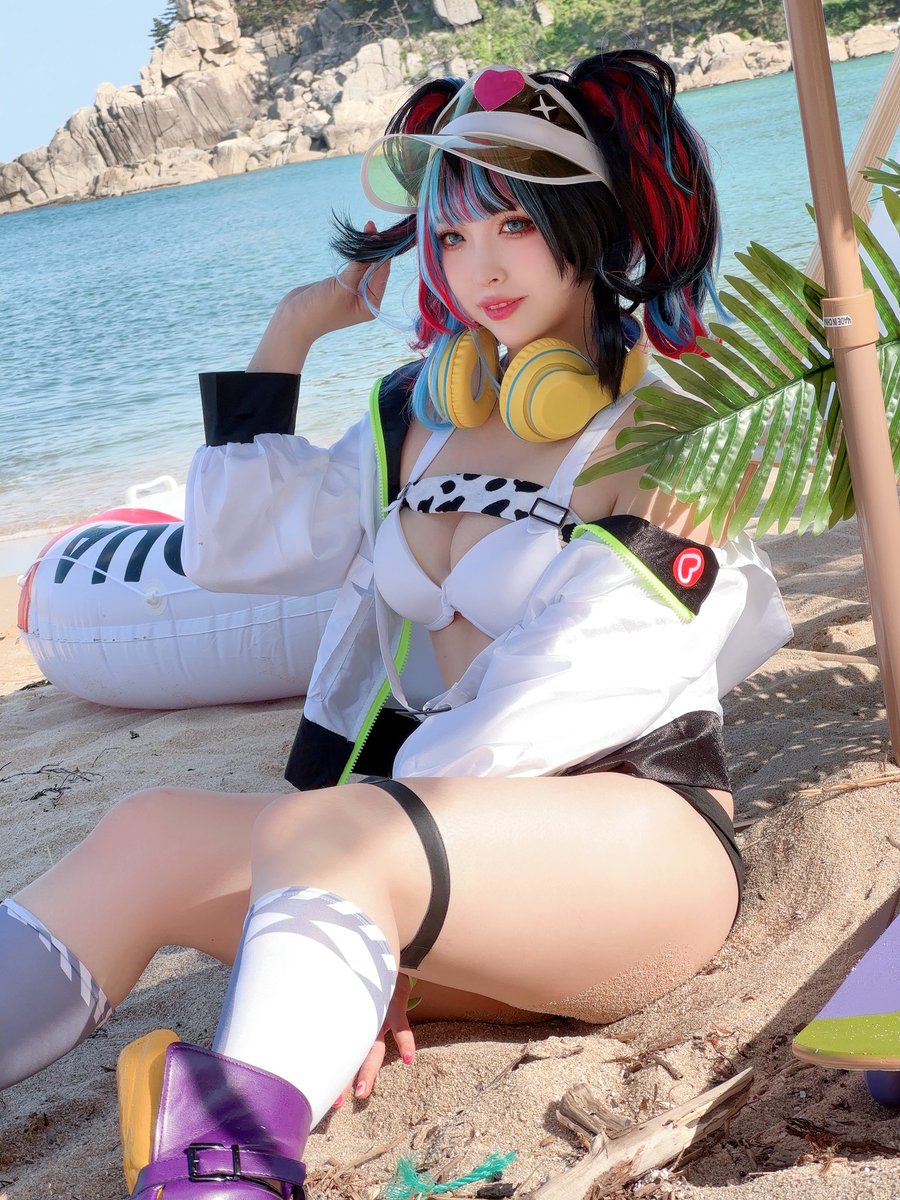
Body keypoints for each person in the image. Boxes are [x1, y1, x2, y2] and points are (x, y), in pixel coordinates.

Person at [1, 49, 791, 1198]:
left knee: (330, 833)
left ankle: (220, 1172)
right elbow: (235, 548)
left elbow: (574, 687)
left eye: (516, 224)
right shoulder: (418, 416)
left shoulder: (664, 427)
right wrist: (288, 337)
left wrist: (369, 879)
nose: (483, 267)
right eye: (453, 236)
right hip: (412, 853)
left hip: (632, 854)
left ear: (590, 224)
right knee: (146, 833)